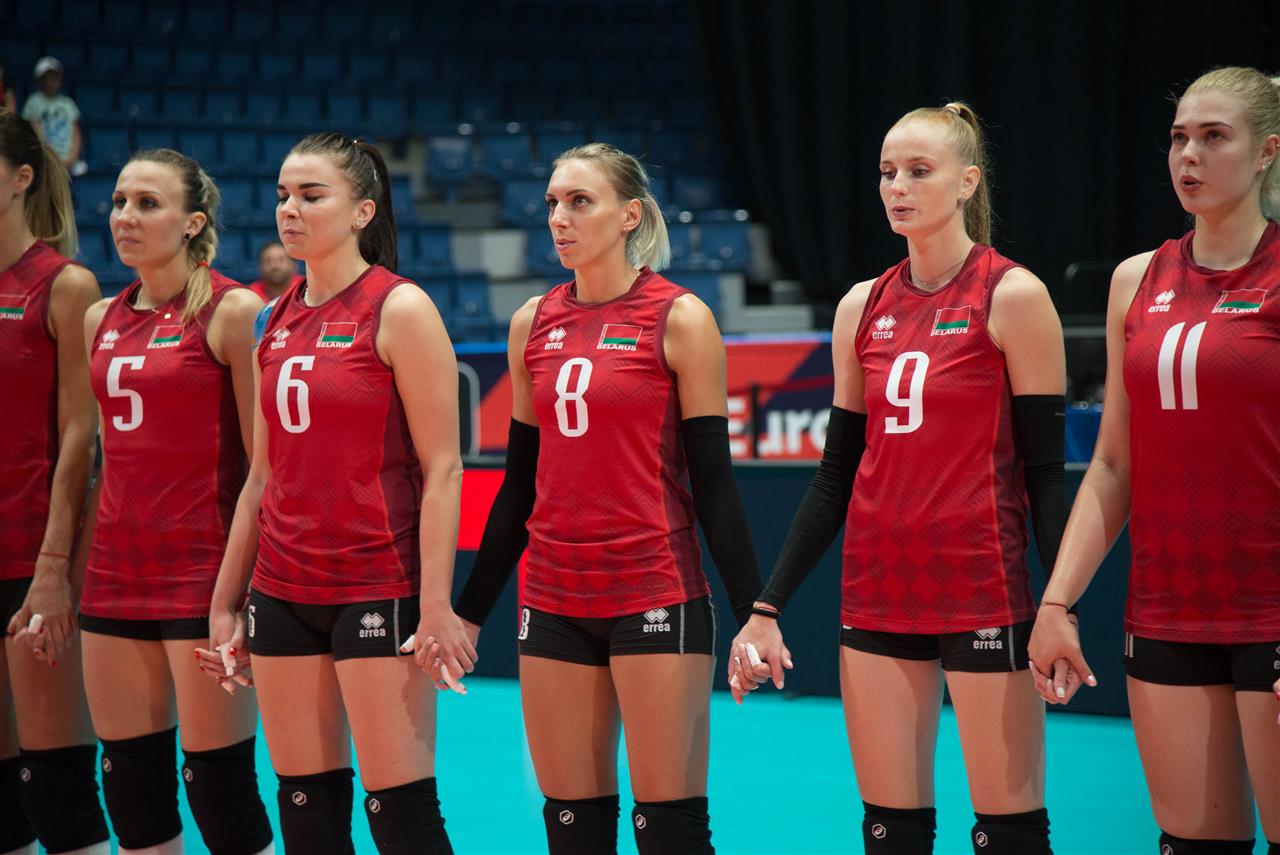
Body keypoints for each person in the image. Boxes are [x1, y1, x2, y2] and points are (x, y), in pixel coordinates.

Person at [734, 103, 1068, 855]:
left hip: (983, 589)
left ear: (967, 182)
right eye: (888, 172)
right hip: (878, 591)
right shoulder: (863, 305)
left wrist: (1059, 606)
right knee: (890, 832)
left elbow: (1047, 476)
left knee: (1010, 834)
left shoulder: (1013, 295)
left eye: (919, 171)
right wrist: (766, 606)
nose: (898, 187)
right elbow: (836, 475)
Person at [449, 142, 767, 855]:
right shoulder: (532, 322)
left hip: (654, 590)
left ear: (630, 216)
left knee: (669, 830)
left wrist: (758, 612)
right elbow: (520, 486)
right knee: (571, 827)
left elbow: (715, 486)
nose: (558, 218)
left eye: (579, 202)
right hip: (554, 598)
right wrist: (469, 612)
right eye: (552, 203)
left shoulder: (680, 318)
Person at [1029, 66, 1280, 855]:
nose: (1189, 155)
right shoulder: (1135, 280)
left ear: (1267, 151)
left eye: (1214, 137)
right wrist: (1057, 601)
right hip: (1167, 607)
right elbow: (1112, 466)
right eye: (1178, 138)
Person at [207, 132, 462, 855]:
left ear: (362, 211)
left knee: (400, 813)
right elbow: (262, 476)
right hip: (282, 590)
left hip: (376, 584)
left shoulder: (400, 308)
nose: (289, 209)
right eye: (283, 195)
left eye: (311, 195)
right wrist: (225, 602)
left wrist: (437, 604)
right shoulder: (271, 318)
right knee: (306, 814)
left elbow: (444, 468)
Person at [79, 147, 273, 855]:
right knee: (131, 795)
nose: (125, 217)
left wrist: (242, 591)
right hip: (113, 578)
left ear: (193, 222)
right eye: (119, 202)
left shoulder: (232, 311)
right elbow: (106, 459)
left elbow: (265, 467)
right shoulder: (99, 317)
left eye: (147, 204)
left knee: (219, 793)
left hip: (202, 578)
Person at [0, 109, 110, 855]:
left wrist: (54, 567)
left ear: (21, 179)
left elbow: (81, 434)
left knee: (56, 783)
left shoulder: (65, 286)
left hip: (30, 558)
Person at [21, 58, 84, 176]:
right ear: (39, 80)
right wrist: (50, 159)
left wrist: (72, 158)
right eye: (46, 78)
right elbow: (34, 132)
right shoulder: (33, 101)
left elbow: (76, 133)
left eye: (55, 77)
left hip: (68, 162)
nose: (51, 81)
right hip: (45, 160)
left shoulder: (68, 103)